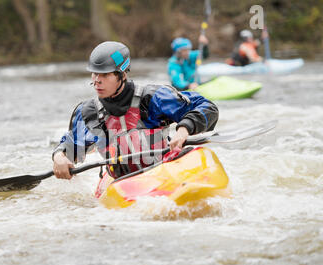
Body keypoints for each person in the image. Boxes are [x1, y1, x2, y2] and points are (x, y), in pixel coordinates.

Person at [52, 41, 218, 180]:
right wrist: (60, 157)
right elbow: (72, 147)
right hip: (120, 183)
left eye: (105, 75)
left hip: (162, 173)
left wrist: (184, 129)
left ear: (122, 75)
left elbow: (207, 107)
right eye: (94, 74)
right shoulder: (89, 112)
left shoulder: (153, 98)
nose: (97, 81)